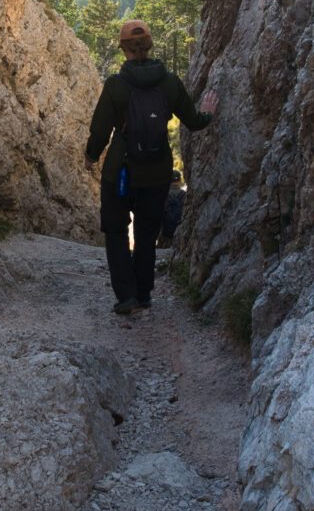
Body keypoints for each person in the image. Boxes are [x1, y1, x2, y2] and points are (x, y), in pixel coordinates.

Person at [85, 20, 217, 314]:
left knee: (117, 231)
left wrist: (91, 156)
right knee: (146, 233)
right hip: (157, 172)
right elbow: (194, 122)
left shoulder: (116, 85)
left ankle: (126, 296)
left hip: (119, 171)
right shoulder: (169, 82)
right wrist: (208, 114)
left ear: (123, 48)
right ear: (151, 45)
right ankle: (144, 293)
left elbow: (100, 131)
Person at [158, 170, 185, 247]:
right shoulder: (185, 195)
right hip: (181, 234)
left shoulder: (163, 195)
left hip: (166, 234)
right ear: (180, 180)